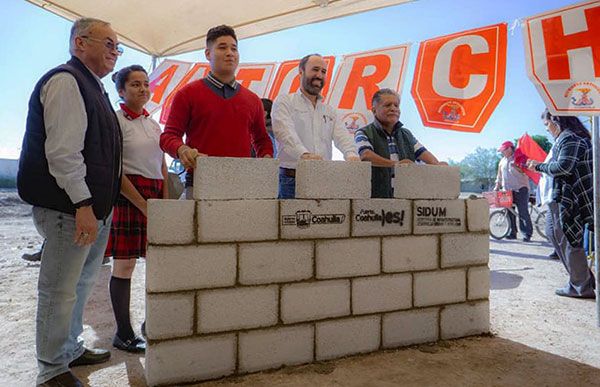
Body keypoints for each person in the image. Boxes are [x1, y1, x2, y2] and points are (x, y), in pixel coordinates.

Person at [17, 18, 122, 387]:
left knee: (79, 285)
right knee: (60, 290)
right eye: (109, 44)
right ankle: (51, 369)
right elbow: (63, 154)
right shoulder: (66, 81)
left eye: (117, 47)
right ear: (80, 43)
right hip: (69, 209)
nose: (115, 52)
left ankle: (69, 349)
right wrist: (82, 204)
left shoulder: (92, 87)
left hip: (89, 209)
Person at [160, 25, 273, 198]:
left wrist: (265, 159)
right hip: (200, 184)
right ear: (207, 54)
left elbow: (262, 140)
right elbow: (168, 137)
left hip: (243, 186)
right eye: (222, 47)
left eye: (234, 48)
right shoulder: (187, 94)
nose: (230, 53)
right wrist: (182, 149)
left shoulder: (253, 100)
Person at [104, 65, 168, 353]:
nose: (142, 89)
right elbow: (114, 169)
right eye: (134, 85)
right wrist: (142, 204)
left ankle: (150, 325)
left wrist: (163, 201)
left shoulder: (154, 124)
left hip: (155, 195)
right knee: (125, 264)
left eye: (145, 84)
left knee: (157, 263)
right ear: (121, 90)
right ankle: (124, 332)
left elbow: (162, 164)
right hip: (128, 195)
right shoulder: (115, 121)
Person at [526, 110, 595, 299]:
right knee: (554, 234)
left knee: (569, 239)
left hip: (569, 197)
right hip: (558, 197)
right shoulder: (564, 139)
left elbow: (564, 167)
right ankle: (583, 279)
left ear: (556, 120)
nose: (547, 129)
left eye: (547, 124)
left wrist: (539, 166)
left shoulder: (570, 138)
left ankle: (581, 286)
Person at [272, 53, 359, 199]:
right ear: (301, 72)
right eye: (315, 70)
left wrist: (351, 155)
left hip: (323, 180)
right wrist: (304, 155)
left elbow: (343, 137)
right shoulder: (284, 102)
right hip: (292, 181)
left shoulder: (329, 111)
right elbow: (285, 134)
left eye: (323, 72)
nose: (319, 75)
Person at [354, 88, 446, 198]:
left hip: (406, 198)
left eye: (396, 105)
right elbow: (366, 156)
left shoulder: (407, 134)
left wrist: (439, 166)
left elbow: (426, 156)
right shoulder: (363, 132)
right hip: (377, 199)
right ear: (374, 111)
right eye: (388, 105)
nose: (393, 109)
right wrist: (397, 165)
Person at [494, 140, 533, 242]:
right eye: (501, 151)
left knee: (523, 211)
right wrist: (497, 186)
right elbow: (499, 176)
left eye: (504, 150)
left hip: (521, 188)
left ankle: (527, 234)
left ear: (510, 148)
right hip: (507, 190)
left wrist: (517, 166)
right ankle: (512, 233)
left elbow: (527, 171)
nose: (502, 152)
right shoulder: (502, 161)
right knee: (509, 211)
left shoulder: (519, 157)